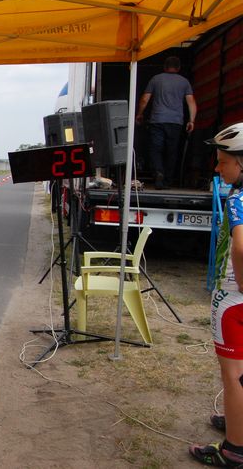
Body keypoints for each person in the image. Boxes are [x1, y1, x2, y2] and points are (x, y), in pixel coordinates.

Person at [190, 122, 243, 466]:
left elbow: (240, 246)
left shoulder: (238, 198)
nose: (217, 167)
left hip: (232, 299)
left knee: (233, 372)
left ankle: (234, 450)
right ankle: (237, 419)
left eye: (223, 161)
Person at [136, 56, 197, 189]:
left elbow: (145, 99)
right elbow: (191, 102)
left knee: (155, 149)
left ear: (165, 66)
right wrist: (191, 120)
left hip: (157, 120)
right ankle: (168, 180)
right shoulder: (184, 82)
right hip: (176, 122)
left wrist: (140, 114)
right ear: (179, 68)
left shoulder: (156, 79)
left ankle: (158, 172)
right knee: (172, 151)